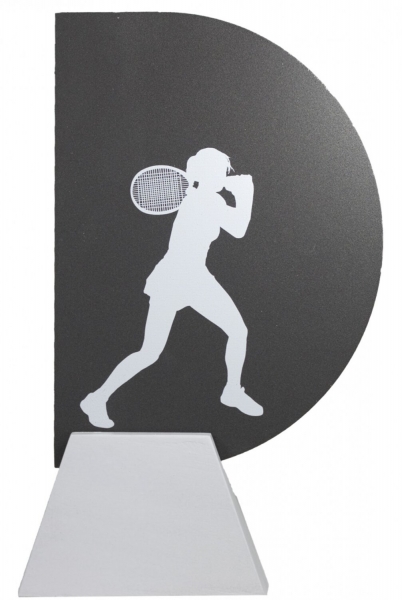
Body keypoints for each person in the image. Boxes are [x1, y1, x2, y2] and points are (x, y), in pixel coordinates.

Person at [81, 148, 263, 428]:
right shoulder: (205, 200)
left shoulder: (203, 198)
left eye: (224, 172)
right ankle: (97, 398)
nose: (224, 176)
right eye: (219, 172)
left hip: (196, 277)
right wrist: (246, 194)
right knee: (150, 352)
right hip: (174, 278)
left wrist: (237, 194)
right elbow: (239, 229)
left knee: (238, 331)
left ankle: (232, 392)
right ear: (204, 174)